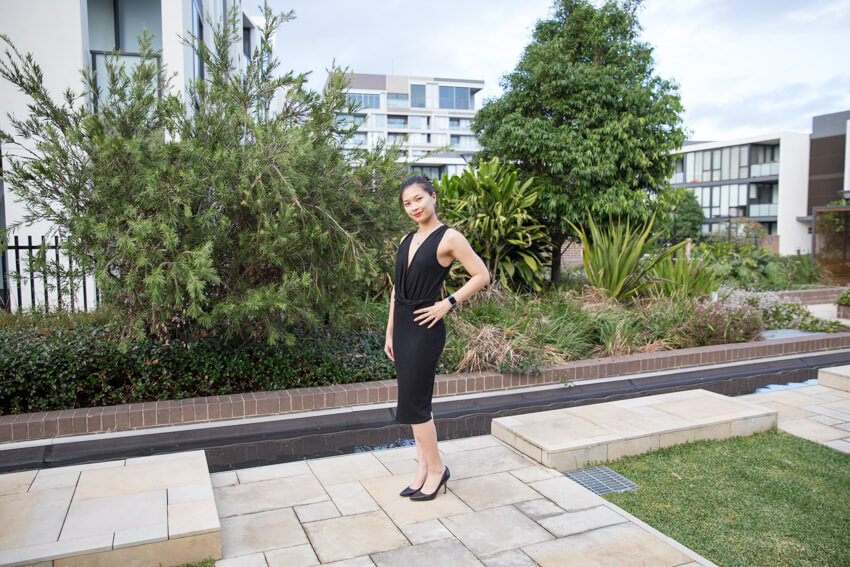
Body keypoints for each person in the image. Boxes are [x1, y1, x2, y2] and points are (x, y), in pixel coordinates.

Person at [384, 175, 490, 501]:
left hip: (426, 328)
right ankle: (422, 470)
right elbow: (395, 290)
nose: (414, 206)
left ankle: (437, 470)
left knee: (416, 404)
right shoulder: (406, 239)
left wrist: (448, 303)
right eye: (407, 203)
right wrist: (389, 331)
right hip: (402, 327)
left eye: (418, 199)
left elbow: (482, 275)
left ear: (433, 196)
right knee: (415, 403)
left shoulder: (450, 237)